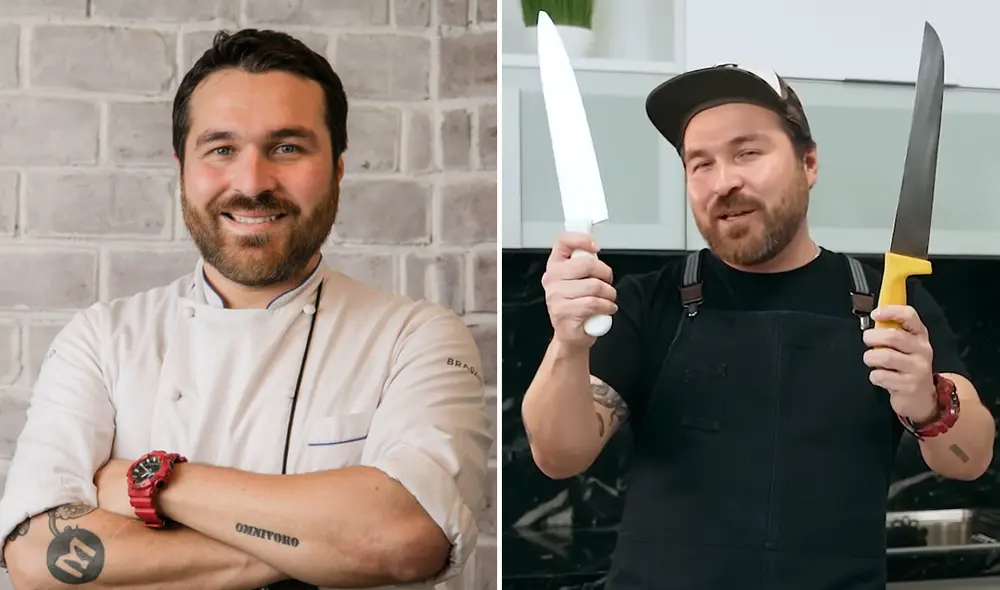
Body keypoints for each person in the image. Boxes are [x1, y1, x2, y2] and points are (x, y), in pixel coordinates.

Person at [0, 29, 492, 590]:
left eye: (288, 148)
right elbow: (35, 558)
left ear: (337, 169)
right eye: (221, 149)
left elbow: (405, 539)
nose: (253, 183)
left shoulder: (416, 337)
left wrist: (153, 484)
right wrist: (336, 542)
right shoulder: (101, 341)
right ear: (181, 169)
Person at [521, 63, 996, 590]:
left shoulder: (889, 304)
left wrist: (928, 403)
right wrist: (568, 343)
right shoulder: (646, 302)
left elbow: (971, 459)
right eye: (700, 163)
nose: (724, 181)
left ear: (808, 162)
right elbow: (558, 454)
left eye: (747, 153)